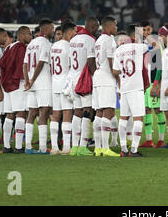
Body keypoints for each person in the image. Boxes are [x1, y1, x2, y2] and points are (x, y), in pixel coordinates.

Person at [113, 24, 150, 157]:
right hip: (136, 88)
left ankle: (123, 148)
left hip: (124, 87)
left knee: (123, 118)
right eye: (140, 33)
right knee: (138, 118)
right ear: (134, 35)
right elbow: (153, 46)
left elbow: (115, 71)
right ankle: (134, 149)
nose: (143, 35)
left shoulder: (118, 50)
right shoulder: (140, 47)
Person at [0, 26, 32, 154]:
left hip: (7, 85)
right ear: (21, 35)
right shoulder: (22, 48)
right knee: (20, 113)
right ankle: (18, 147)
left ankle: (7, 146)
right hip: (18, 83)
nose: (31, 36)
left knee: (9, 115)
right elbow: (22, 67)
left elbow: (2, 64)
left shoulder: (9, 47)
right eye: (29, 34)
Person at [68, 17, 98, 156]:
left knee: (77, 112)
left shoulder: (73, 39)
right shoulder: (90, 40)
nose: (97, 29)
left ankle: (74, 147)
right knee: (88, 111)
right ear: (92, 26)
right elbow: (91, 62)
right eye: (96, 26)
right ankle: (83, 146)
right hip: (84, 80)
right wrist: (96, 77)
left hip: (73, 79)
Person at [23, 19, 55, 154]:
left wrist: (27, 81)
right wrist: (32, 79)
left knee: (32, 113)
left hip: (32, 84)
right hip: (43, 82)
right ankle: (42, 148)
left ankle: (28, 147)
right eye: (52, 28)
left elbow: (24, 64)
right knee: (44, 112)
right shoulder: (46, 43)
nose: (53, 31)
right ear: (46, 29)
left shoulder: (31, 44)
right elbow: (41, 62)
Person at [93, 16, 120, 157]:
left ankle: (98, 148)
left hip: (97, 78)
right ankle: (105, 148)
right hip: (106, 79)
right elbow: (112, 64)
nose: (116, 28)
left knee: (99, 112)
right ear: (108, 26)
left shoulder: (98, 41)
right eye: (115, 26)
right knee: (108, 111)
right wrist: (118, 79)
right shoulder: (109, 40)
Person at [139, 20, 166, 148]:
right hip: (143, 82)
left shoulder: (157, 45)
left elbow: (160, 66)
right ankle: (149, 140)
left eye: (148, 30)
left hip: (154, 80)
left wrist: (157, 83)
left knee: (158, 109)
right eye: (143, 30)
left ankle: (161, 140)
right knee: (146, 109)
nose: (146, 33)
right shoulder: (139, 45)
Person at [51, 22, 77, 155]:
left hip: (54, 83)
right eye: (74, 31)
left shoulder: (54, 46)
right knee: (67, 115)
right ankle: (66, 147)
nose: (75, 34)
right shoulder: (69, 47)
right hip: (65, 85)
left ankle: (54, 147)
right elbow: (72, 66)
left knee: (55, 116)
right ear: (69, 32)